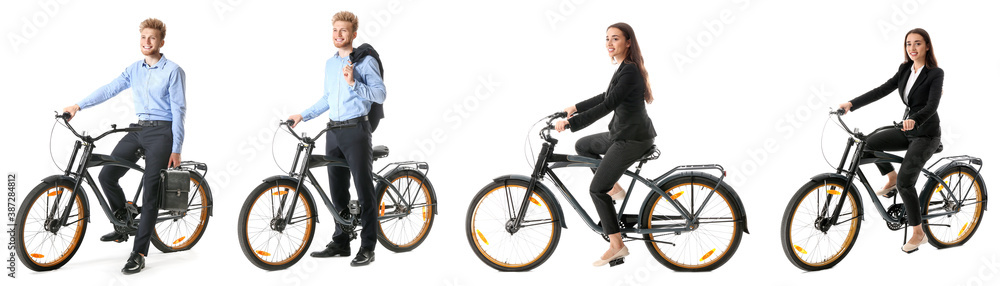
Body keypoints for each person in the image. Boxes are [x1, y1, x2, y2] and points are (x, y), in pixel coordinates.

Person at [61, 18, 186, 274]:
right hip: (138, 128)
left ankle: (139, 252)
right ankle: (123, 222)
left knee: (151, 192)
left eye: (152, 38)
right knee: (108, 174)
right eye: (143, 38)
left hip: (162, 132)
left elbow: (179, 110)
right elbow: (111, 88)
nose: (146, 42)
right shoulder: (134, 69)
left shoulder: (173, 71)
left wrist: (177, 148)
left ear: (161, 42)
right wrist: (78, 105)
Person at [287, 11, 386, 267]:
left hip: (356, 130)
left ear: (353, 34)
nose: (338, 35)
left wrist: (354, 83)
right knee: (337, 190)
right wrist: (303, 115)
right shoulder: (330, 64)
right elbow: (327, 98)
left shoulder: (364, 62)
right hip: (333, 131)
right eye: (335, 31)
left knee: (364, 190)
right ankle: (341, 242)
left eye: (344, 31)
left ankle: (368, 247)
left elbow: (380, 94)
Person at [554, 22, 656, 266]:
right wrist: (575, 108)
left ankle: (617, 245)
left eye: (616, 39)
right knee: (583, 146)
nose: (609, 43)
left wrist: (571, 123)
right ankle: (615, 188)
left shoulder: (630, 70)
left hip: (631, 139)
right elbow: (606, 96)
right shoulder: (625, 68)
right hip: (621, 133)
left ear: (628, 42)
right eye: (607, 39)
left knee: (596, 189)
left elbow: (607, 106)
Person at [837, 28, 943, 254]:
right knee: (868, 143)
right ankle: (890, 176)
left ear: (926, 46)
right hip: (908, 129)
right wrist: (851, 104)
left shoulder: (935, 73)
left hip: (926, 134)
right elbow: (882, 90)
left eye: (917, 43)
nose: (912, 48)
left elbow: (932, 106)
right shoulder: (905, 69)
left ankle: (918, 232)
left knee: (907, 183)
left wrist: (915, 119)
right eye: (908, 44)